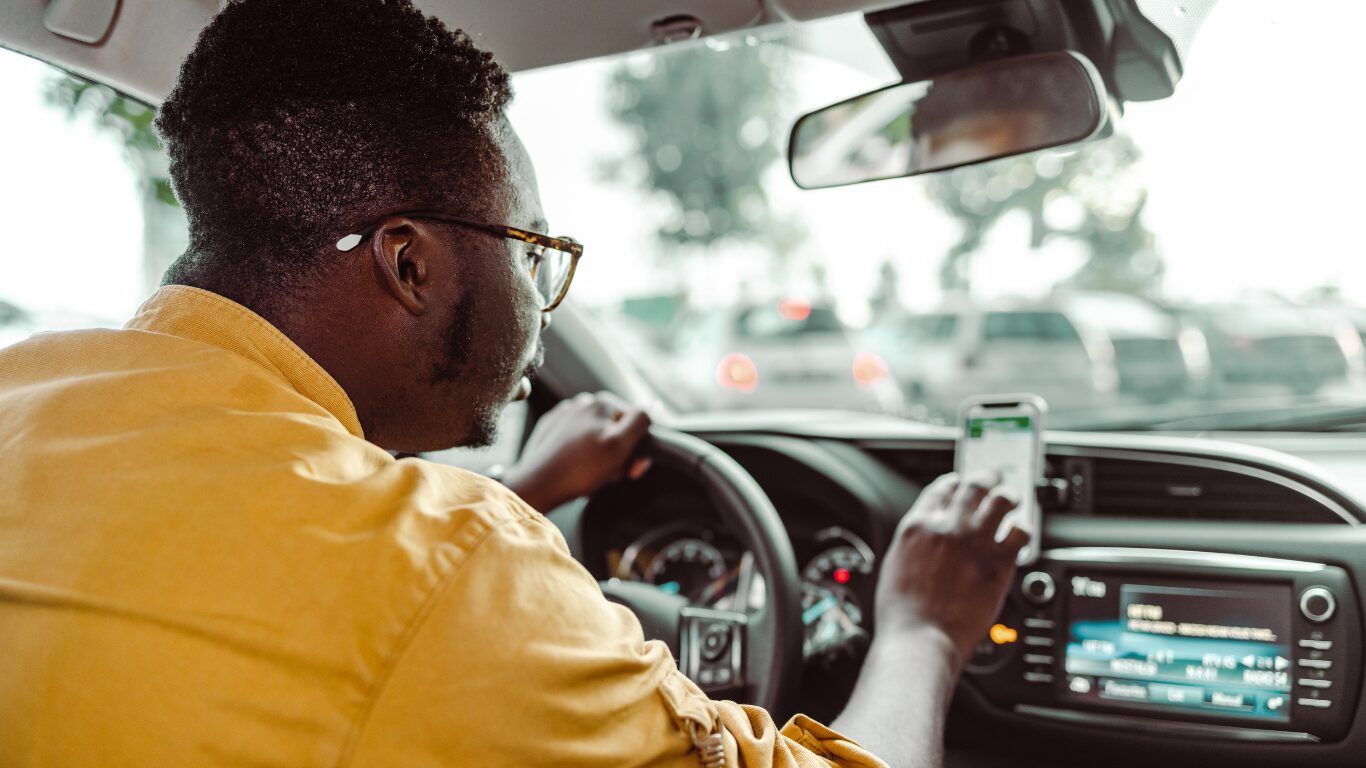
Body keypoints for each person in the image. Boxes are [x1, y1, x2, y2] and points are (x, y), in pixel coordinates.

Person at [0, 0, 1027, 765]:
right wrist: (927, 628)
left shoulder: (25, 398)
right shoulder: (459, 574)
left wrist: (524, 488)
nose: (542, 295)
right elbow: (404, 598)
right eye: (532, 250)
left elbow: (254, 559)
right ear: (410, 265)